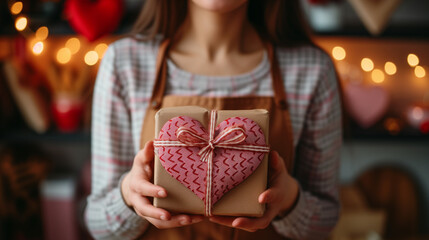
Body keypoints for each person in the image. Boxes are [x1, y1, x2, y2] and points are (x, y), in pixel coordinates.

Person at [84, 0, 342, 239]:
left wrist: (290, 199)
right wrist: (128, 194)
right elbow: (99, 225)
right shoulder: (124, 63)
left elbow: (326, 221)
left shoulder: (312, 70)